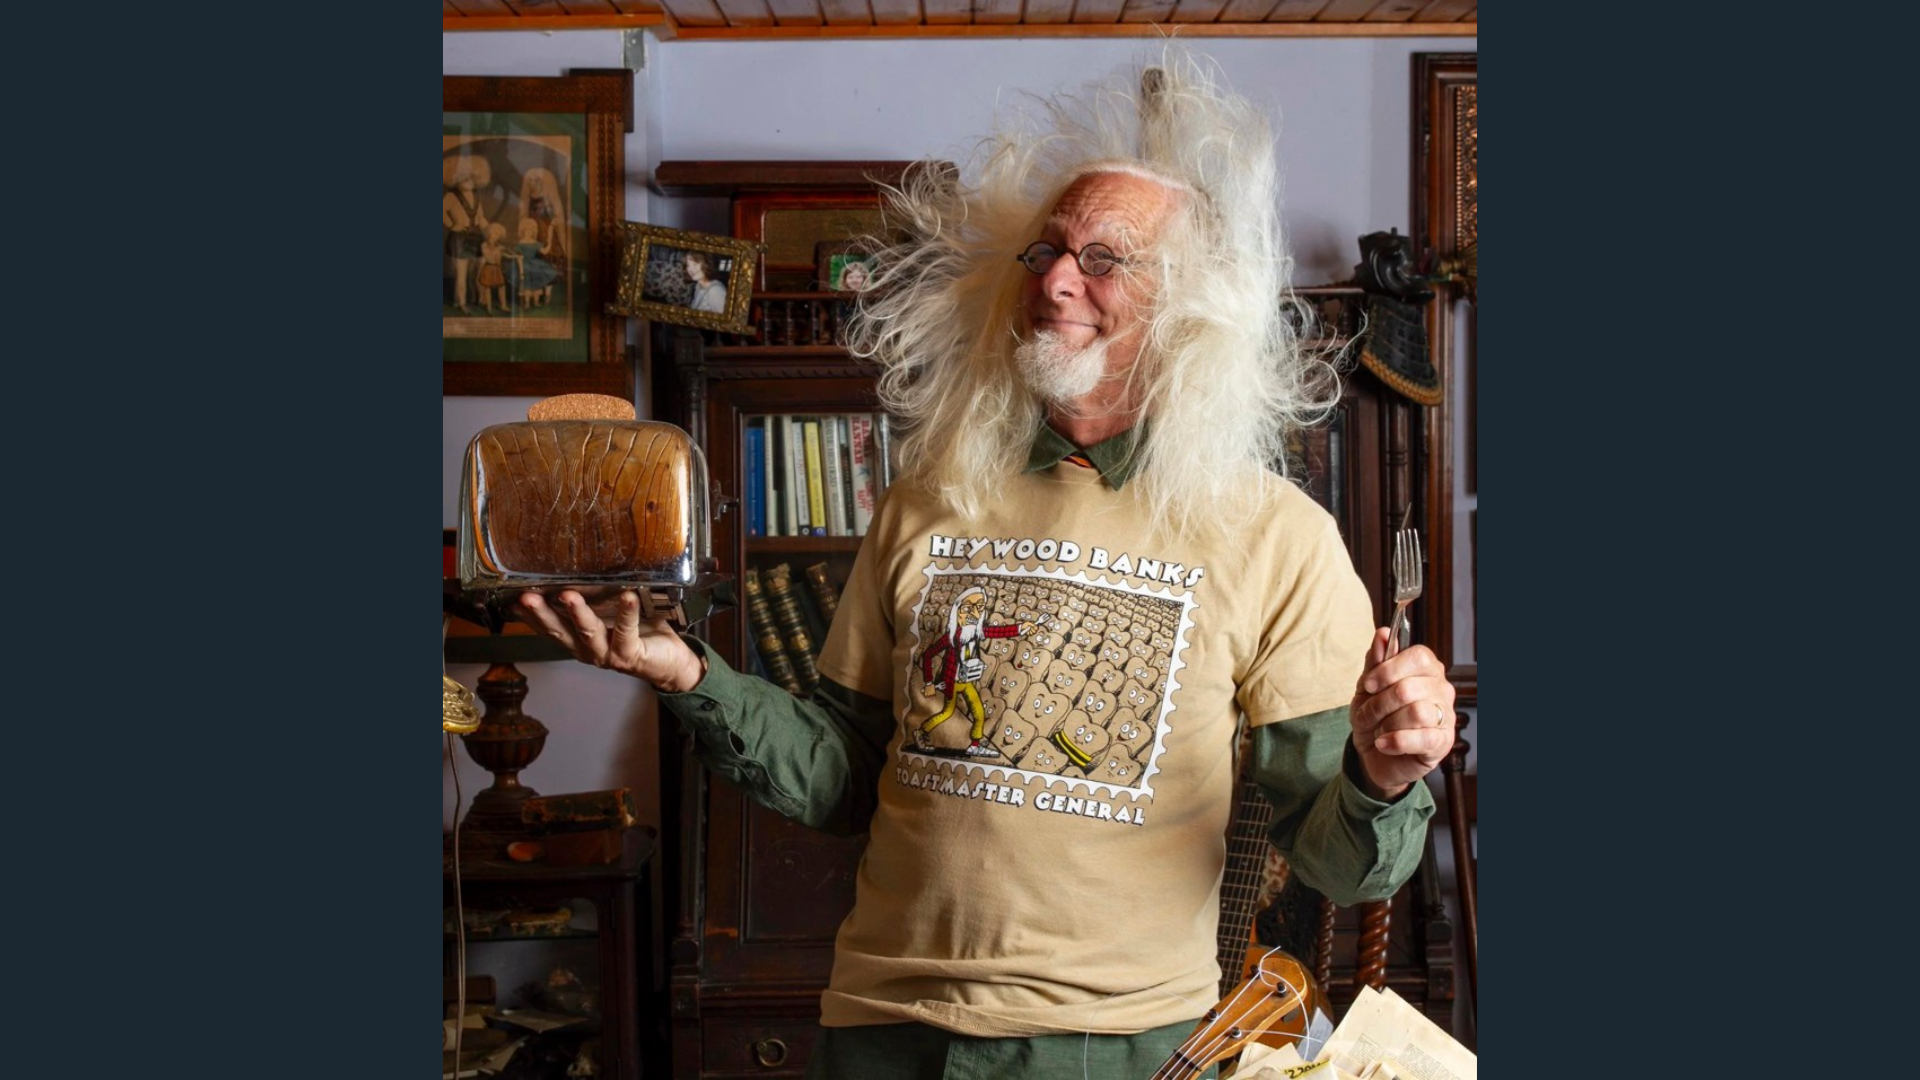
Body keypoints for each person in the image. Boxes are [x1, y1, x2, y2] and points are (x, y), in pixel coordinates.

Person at [517, 50, 1455, 1080]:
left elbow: (1339, 863)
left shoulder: (1278, 535)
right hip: (878, 1031)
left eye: (1104, 259)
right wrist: (687, 672)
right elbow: (843, 776)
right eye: (1045, 251)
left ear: (1192, 307)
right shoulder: (930, 494)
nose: (1054, 279)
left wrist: (1383, 773)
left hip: (1112, 1051)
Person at [443, 159, 489, 314]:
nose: (469, 180)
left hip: (477, 237)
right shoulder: (451, 196)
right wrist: (451, 225)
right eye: (464, 177)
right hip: (460, 238)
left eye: (471, 177)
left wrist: (489, 229)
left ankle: (480, 299)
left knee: (480, 269)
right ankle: (461, 303)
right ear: (456, 179)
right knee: (461, 273)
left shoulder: (476, 195)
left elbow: (481, 217)